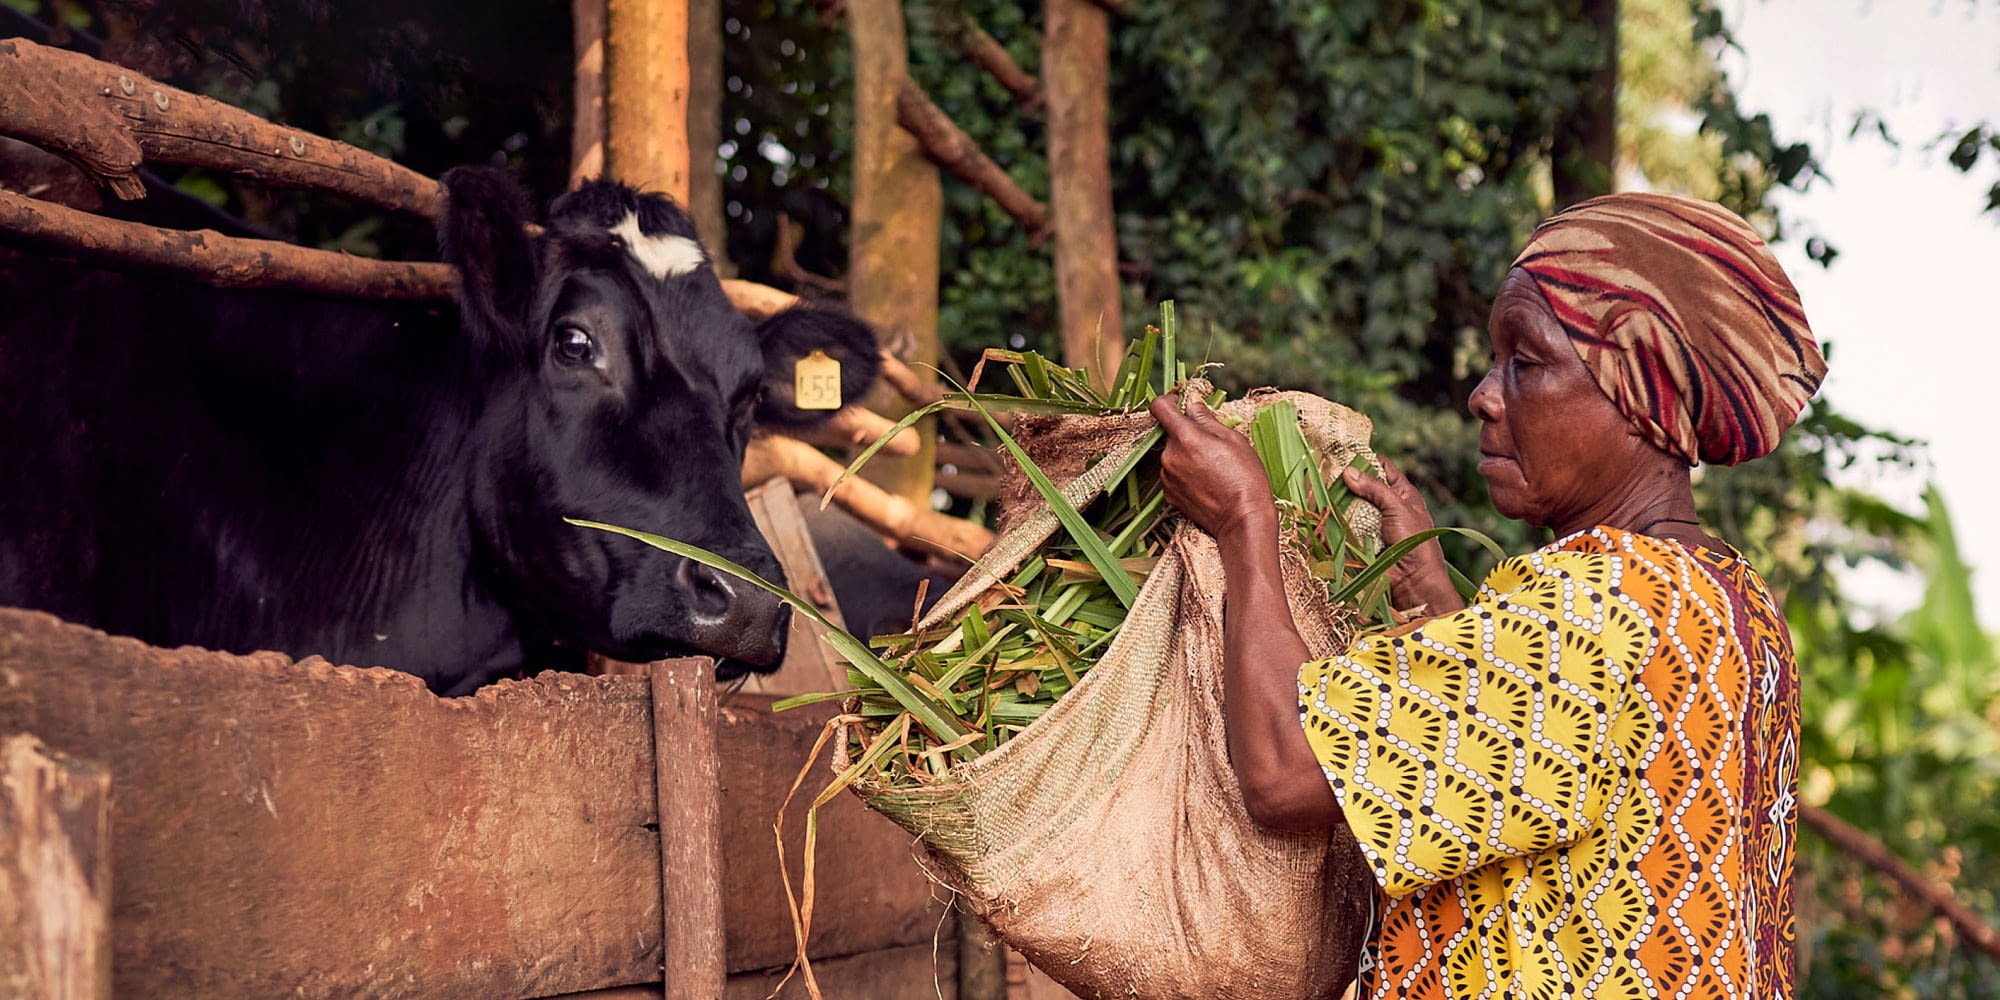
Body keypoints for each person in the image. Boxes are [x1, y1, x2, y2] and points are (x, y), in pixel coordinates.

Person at [1150, 192, 1824, 999]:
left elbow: (1287, 770)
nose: (1484, 393)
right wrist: (1435, 595)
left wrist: (1244, 522)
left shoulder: (1596, 603)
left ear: (1644, 394)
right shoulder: (1733, 603)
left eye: (1527, 362)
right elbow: (1547, 769)